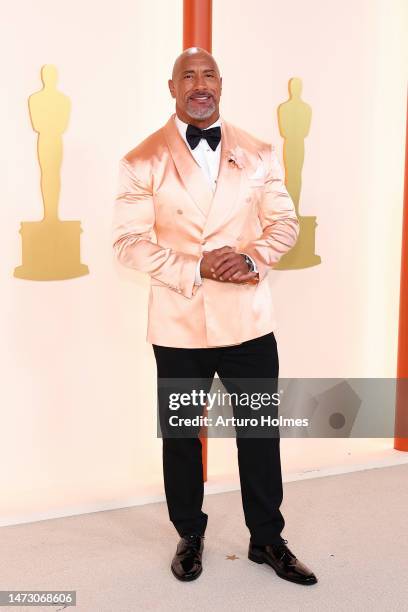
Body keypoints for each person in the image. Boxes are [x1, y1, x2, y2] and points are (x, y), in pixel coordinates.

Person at [112, 47, 317, 586]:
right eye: (189, 77)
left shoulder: (259, 150)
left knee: (258, 431)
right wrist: (196, 265)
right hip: (178, 322)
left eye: (208, 76)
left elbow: (284, 225)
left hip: (247, 320)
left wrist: (250, 258)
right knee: (182, 435)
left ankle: (267, 538)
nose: (199, 85)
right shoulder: (142, 159)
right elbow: (128, 244)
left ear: (221, 85)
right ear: (172, 87)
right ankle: (189, 532)